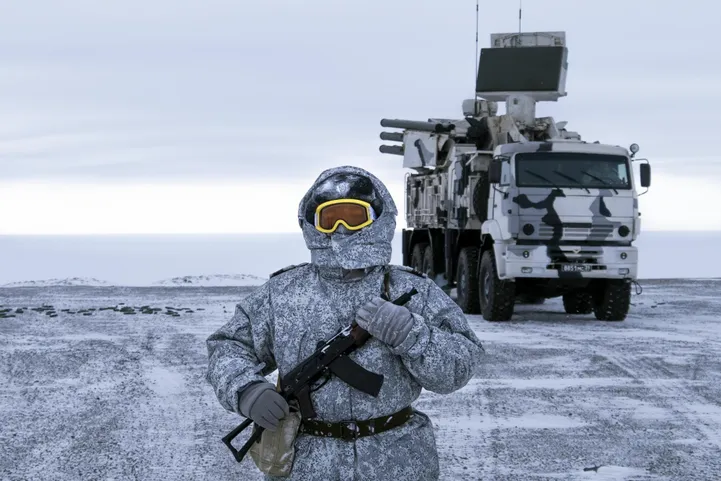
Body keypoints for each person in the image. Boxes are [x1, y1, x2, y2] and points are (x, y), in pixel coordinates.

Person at [206, 165, 485, 480]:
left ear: (377, 220)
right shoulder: (282, 293)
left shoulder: (411, 290)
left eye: (354, 217)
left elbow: (460, 366)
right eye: (329, 219)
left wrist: (413, 335)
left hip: (398, 461)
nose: (341, 229)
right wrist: (247, 390)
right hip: (307, 465)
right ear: (312, 224)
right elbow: (228, 347)